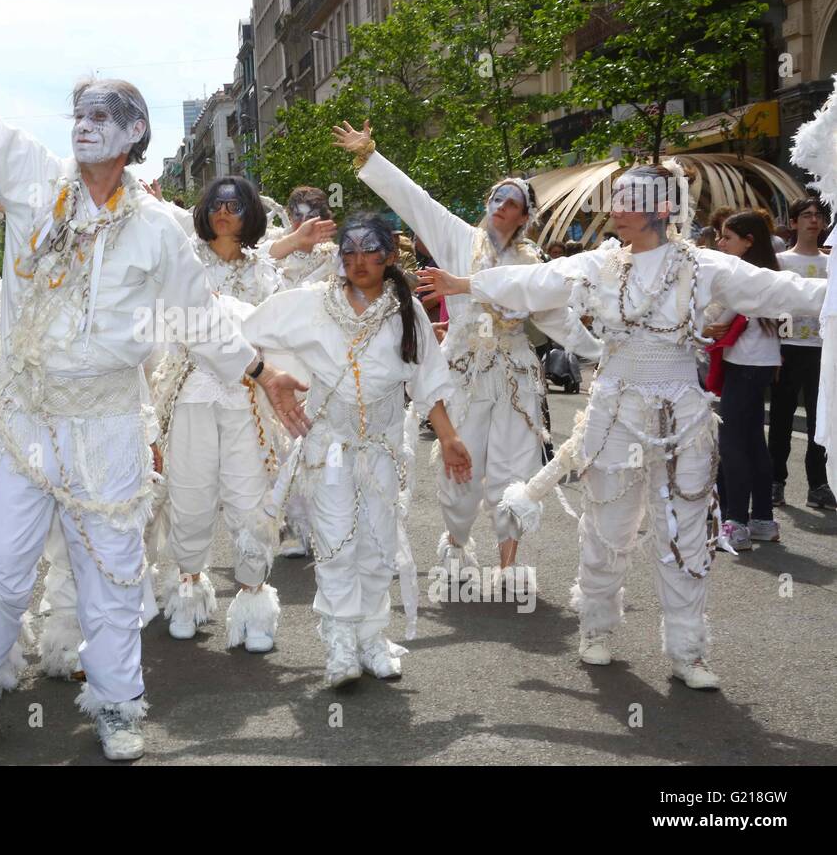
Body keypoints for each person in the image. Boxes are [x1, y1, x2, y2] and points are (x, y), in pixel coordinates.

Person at [0, 0, 308, 761]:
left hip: (109, 425)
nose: (86, 122)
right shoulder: (30, 184)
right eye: (81, 110)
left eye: (107, 114)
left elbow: (198, 318)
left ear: (135, 136)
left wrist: (260, 372)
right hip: (26, 419)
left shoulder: (162, 229)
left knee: (113, 573)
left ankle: (119, 705)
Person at [418, 164, 828, 689]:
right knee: (607, 528)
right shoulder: (600, 264)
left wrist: (827, 291)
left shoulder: (702, 266)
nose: (613, 212)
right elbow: (536, 281)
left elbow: (780, 290)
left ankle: (687, 651)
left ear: (660, 209)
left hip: (681, 415)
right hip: (614, 412)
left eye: (626, 202)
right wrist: (466, 282)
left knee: (683, 534)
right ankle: (596, 628)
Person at [334, 120, 599, 584]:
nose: (500, 207)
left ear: (524, 216)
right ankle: (456, 544)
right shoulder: (457, 238)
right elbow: (415, 200)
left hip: (516, 375)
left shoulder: (532, 264)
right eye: (496, 198)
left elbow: (556, 317)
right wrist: (369, 155)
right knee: (461, 471)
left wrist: (597, 350)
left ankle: (508, 567)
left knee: (514, 470)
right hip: (463, 374)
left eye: (512, 202)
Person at [245, 216, 471, 685]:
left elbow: (428, 380)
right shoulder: (313, 304)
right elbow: (246, 329)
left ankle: (371, 637)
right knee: (335, 544)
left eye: (371, 251)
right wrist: (268, 376)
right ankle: (341, 644)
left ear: (390, 255)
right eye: (348, 252)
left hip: (384, 450)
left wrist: (448, 438)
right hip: (329, 448)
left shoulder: (405, 311)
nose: (359, 261)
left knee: (378, 544)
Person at [155, 176, 283, 651]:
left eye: (234, 204)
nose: (224, 211)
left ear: (249, 213)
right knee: (189, 493)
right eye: (216, 203)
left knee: (250, 500)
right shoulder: (183, 262)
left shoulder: (266, 272)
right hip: (190, 392)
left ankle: (254, 603)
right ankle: (187, 592)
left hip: (248, 398)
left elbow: (280, 330)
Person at [706, 213, 784, 549]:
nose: (721, 244)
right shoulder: (768, 273)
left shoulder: (741, 277)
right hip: (762, 364)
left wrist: (702, 327)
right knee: (753, 442)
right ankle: (763, 518)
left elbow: (714, 320)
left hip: (745, 366)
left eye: (728, 238)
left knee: (732, 443)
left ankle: (736, 521)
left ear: (749, 241)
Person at [769, 196, 834, 511]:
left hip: (822, 351)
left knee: (819, 420)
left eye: (818, 215)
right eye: (806, 215)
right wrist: (778, 348)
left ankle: (818, 485)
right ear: (793, 222)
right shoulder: (781, 261)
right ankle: (775, 480)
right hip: (789, 349)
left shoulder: (831, 263)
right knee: (781, 418)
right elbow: (777, 305)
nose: (813, 221)